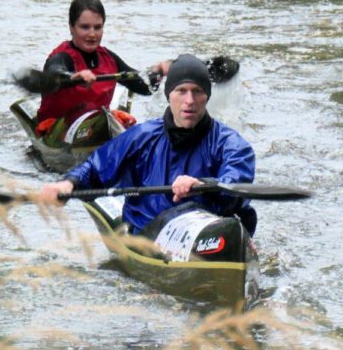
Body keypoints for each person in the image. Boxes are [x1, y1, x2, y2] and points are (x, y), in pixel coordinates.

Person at [39, 54, 257, 236]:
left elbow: (235, 180)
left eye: (197, 91)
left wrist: (203, 184)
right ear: (169, 95)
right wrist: (68, 183)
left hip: (207, 233)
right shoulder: (140, 137)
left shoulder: (232, 144)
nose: (189, 100)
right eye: (181, 91)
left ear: (206, 97)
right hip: (148, 232)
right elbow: (96, 167)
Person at [35, 0, 159, 133]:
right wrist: (74, 77)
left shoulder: (109, 58)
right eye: (85, 27)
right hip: (58, 128)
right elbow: (54, 73)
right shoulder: (61, 57)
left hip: (95, 127)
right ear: (71, 27)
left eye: (97, 27)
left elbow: (144, 87)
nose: (92, 34)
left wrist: (159, 73)